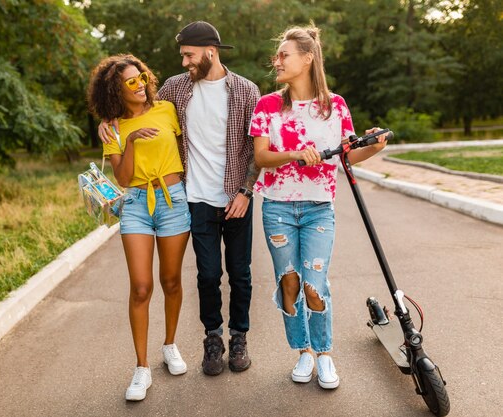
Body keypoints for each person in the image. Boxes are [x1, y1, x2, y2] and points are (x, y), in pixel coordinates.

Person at [99, 21, 261, 376]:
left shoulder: (247, 90)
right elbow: (135, 108)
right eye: (183, 56)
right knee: (207, 275)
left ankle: (239, 338)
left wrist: (246, 191)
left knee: (241, 275)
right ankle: (213, 339)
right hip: (195, 198)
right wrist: (108, 119)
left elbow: (256, 148)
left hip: (237, 197)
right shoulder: (175, 89)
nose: (185, 61)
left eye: (189, 55)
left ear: (210, 51)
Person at [249, 25, 389, 389]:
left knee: (314, 284)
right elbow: (261, 156)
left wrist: (373, 147)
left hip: (318, 209)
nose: (276, 60)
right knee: (290, 282)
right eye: (277, 55)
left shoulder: (335, 106)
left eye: (284, 54)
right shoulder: (268, 106)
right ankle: (304, 352)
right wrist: (296, 153)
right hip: (277, 207)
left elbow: (346, 155)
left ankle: (324, 353)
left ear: (308, 58)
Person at [88, 54, 191, 401]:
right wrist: (129, 141)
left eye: (141, 77)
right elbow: (123, 177)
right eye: (130, 82)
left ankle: (170, 345)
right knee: (142, 287)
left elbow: (186, 147)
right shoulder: (112, 127)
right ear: (117, 90)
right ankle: (141, 367)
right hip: (135, 204)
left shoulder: (166, 109)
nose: (140, 85)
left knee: (171, 280)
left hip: (174, 199)